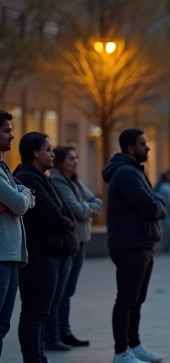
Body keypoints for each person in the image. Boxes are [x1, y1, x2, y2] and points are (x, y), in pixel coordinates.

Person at [14, 133, 77, 363]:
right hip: (39, 255)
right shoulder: (28, 177)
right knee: (34, 312)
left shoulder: (40, 177)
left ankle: (39, 361)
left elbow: (61, 209)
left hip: (50, 253)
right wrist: (68, 224)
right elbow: (52, 214)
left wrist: (66, 220)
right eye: (48, 149)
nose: (53, 154)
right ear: (35, 153)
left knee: (41, 311)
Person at [103, 128, 167, 363]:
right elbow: (152, 206)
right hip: (129, 244)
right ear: (130, 148)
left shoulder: (134, 171)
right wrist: (159, 207)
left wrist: (157, 205)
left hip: (141, 242)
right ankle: (121, 352)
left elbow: (154, 203)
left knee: (137, 299)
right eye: (143, 144)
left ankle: (134, 344)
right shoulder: (126, 174)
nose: (147, 147)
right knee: (127, 298)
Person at [49, 146, 102, 348]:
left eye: (76, 157)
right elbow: (78, 210)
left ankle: (64, 330)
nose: (76, 161)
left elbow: (95, 200)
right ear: (61, 161)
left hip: (80, 242)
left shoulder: (74, 181)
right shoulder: (57, 181)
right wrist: (89, 208)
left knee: (68, 290)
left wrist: (87, 207)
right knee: (60, 291)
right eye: (72, 158)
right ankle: (56, 333)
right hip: (68, 243)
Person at [0, 111, 33, 363]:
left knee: (1, 326)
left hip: (9, 256)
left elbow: (20, 198)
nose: (12, 135)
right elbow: (20, 202)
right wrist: (21, 196)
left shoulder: (4, 168)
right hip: (1, 256)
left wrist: (20, 195)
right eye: (7, 130)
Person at [155, 171, 170, 255]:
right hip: (168, 214)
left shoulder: (162, 187)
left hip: (166, 213)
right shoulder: (167, 188)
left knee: (168, 232)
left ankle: (169, 248)